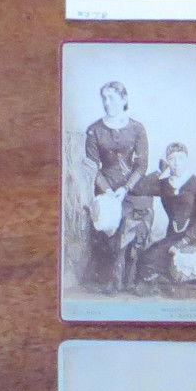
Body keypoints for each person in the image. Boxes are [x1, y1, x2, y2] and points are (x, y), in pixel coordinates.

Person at [83, 79, 153, 292]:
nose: (107, 103)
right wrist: (108, 191)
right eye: (104, 98)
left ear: (124, 99)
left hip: (132, 186)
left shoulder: (137, 128)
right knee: (110, 220)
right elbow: (92, 168)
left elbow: (141, 165)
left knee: (138, 216)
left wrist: (125, 188)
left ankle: (133, 276)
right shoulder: (94, 130)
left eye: (112, 98)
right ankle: (112, 278)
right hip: (105, 187)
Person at [130, 143, 196, 290]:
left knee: (185, 267)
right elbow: (137, 189)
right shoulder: (164, 185)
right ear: (167, 162)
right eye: (172, 159)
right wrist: (159, 171)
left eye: (180, 158)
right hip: (173, 237)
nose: (176, 163)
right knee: (146, 259)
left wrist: (183, 242)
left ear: (187, 159)